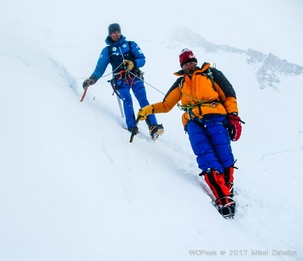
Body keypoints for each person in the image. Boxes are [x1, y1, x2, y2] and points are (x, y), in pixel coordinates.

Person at [137, 48, 244, 218]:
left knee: (223, 154)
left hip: (216, 116)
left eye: (191, 61)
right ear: (182, 65)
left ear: (196, 61)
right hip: (193, 122)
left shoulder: (211, 73)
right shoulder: (180, 83)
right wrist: (147, 110)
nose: (189, 65)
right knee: (205, 156)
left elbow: (229, 95)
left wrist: (234, 116)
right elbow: (166, 105)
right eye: (185, 63)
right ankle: (223, 197)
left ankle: (227, 187)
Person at [82, 23, 164, 139]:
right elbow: (100, 68)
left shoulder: (131, 45)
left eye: (118, 32)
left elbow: (142, 59)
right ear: (110, 34)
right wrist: (92, 79)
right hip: (120, 80)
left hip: (135, 76)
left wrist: (133, 63)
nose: (117, 34)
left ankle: (153, 126)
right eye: (114, 32)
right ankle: (131, 127)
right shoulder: (107, 51)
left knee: (143, 99)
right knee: (127, 99)